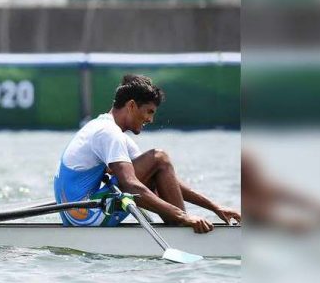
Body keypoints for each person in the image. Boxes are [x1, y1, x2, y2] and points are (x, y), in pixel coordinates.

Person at [54, 74, 241, 233]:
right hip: (85, 217)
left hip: (80, 215)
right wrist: (183, 216)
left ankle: (178, 223)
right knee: (159, 157)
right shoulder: (108, 133)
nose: (151, 119)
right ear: (132, 106)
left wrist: (215, 207)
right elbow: (131, 186)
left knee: (158, 165)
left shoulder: (106, 129)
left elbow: (165, 178)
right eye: (149, 111)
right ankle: (180, 228)